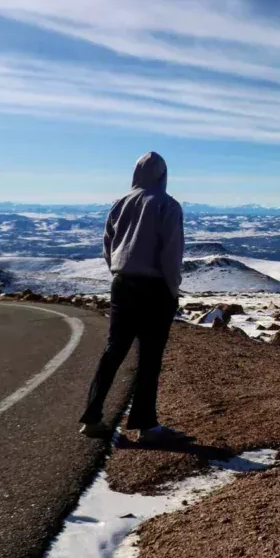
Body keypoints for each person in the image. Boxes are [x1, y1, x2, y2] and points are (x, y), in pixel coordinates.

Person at [79, 151, 185, 444]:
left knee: (114, 351)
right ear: (163, 175)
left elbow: (108, 245)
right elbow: (171, 253)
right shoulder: (168, 205)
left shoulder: (119, 204)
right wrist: (173, 289)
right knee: (150, 357)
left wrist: (119, 273)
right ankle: (146, 426)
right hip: (155, 288)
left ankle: (92, 417)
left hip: (122, 283)